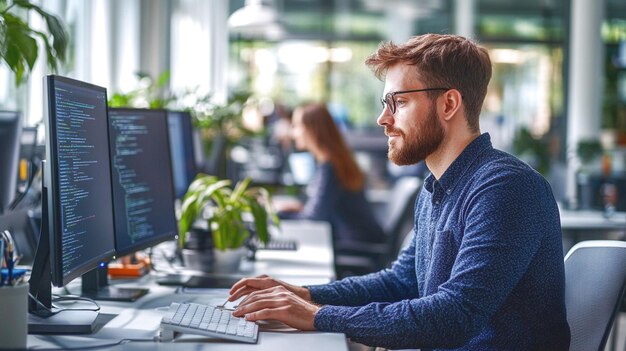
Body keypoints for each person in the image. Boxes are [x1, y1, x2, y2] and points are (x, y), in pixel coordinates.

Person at [227, 34, 570, 350]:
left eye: (398, 102)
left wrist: (317, 316)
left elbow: (455, 315)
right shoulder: (437, 187)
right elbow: (400, 282)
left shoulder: (505, 189)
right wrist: (304, 295)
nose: (382, 118)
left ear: (449, 104)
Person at [274, 103, 385, 248]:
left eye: (296, 126)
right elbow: (320, 209)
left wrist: (277, 214)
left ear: (312, 130)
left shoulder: (330, 167)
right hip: (356, 239)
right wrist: (300, 208)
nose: (293, 133)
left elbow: (314, 219)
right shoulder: (334, 161)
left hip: (354, 245)